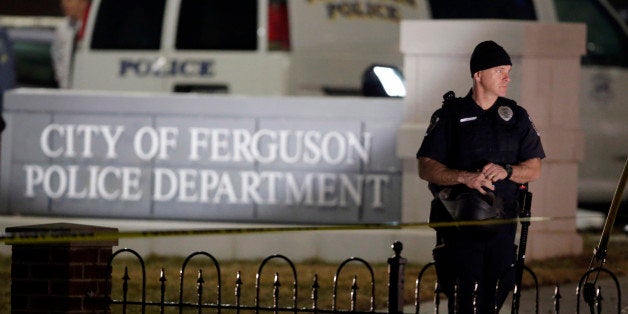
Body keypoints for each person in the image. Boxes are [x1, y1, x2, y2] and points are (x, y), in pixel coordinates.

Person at [416, 40, 545, 313]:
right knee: (462, 301)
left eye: (508, 70)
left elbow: (534, 168)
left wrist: (508, 171)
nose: (507, 77)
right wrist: (465, 177)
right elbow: (426, 166)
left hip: (502, 225)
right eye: (499, 70)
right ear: (478, 74)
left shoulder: (516, 116)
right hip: (458, 226)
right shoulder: (450, 115)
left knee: (494, 297)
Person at [51, 0, 91, 89]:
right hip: (66, 87)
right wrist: (62, 79)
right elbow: (57, 57)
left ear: (83, 2)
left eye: (69, 1)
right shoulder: (62, 28)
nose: (64, 4)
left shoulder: (93, 26)